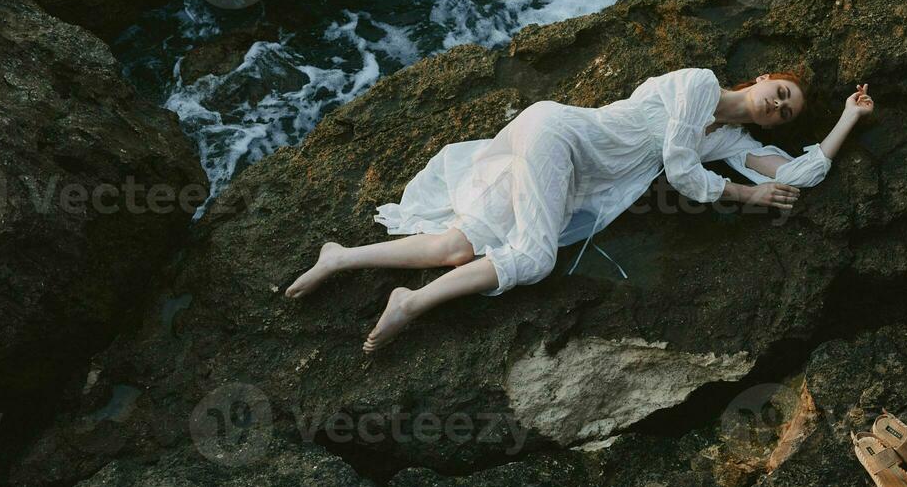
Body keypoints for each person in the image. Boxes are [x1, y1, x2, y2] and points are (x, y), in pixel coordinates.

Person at [284, 66, 874, 352]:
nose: (778, 106)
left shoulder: (728, 142)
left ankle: (339, 257)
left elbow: (797, 173)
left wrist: (849, 117)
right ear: (762, 78)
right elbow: (678, 168)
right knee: (536, 258)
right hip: (559, 136)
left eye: (788, 113)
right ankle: (409, 302)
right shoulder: (697, 85)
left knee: (459, 246)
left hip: (563, 172)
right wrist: (744, 195)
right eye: (781, 92)